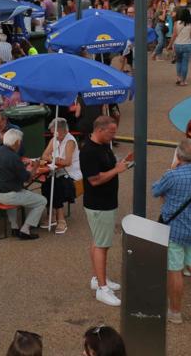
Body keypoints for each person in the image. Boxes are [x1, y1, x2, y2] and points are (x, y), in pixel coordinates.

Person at [152, 139, 191, 325]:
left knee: (175, 270)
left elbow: (155, 190)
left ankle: (175, 312)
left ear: (178, 156)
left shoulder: (172, 176)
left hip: (175, 230)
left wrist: (171, 168)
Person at [80, 116, 133, 307]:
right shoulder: (88, 151)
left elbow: (107, 167)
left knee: (99, 242)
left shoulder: (103, 146)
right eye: (111, 132)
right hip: (99, 204)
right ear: (100, 130)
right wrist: (117, 170)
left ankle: (98, 278)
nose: (114, 135)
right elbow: (94, 179)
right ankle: (103, 288)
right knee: (102, 245)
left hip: (105, 202)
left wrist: (121, 163)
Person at [0, 129, 46, 240]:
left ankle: (14, 227)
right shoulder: (13, 157)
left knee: (17, 194)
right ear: (16, 142)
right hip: (9, 195)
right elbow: (27, 179)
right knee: (42, 201)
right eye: (20, 141)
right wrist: (35, 166)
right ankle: (25, 230)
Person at [39, 117, 82, 234]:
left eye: (54, 132)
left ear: (61, 130)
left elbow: (67, 162)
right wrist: (56, 159)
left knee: (56, 185)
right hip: (57, 172)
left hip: (71, 173)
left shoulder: (70, 141)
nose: (52, 134)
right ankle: (51, 215)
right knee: (46, 185)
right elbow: (44, 156)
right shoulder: (55, 139)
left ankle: (61, 219)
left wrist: (53, 159)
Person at [172, 8, 191, 85]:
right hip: (187, 45)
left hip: (177, 45)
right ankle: (183, 81)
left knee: (179, 62)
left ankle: (178, 77)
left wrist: (170, 45)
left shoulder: (176, 23)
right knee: (185, 63)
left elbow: (174, 35)